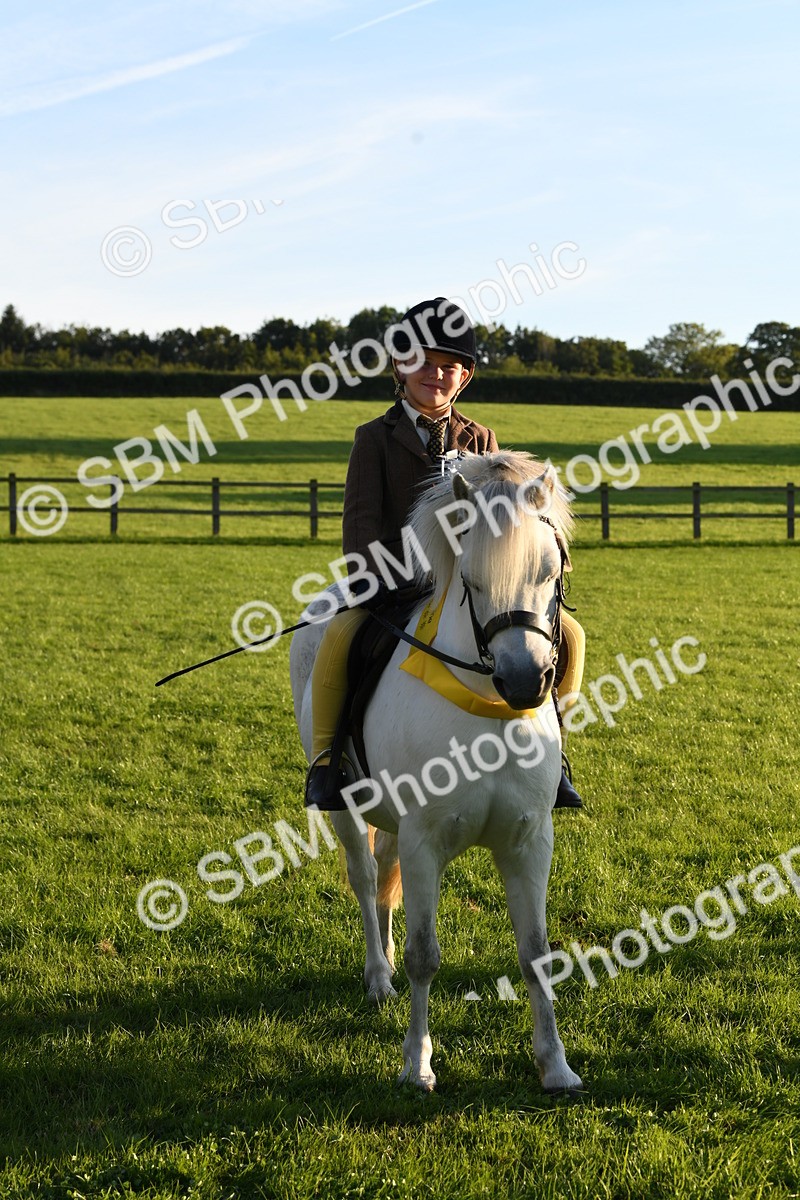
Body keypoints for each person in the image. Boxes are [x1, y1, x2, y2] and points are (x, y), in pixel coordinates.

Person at [304, 297, 585, 811]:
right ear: (399, 365)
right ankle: (328, 761)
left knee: (569, 633)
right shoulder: (373, 439)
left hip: (469, 586)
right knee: (340, 631)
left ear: (465, 377)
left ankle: (557, 752)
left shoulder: (481, 439)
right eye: (424, 363)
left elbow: (505, 526)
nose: (435, 375)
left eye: (448, 367)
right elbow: (361, 527)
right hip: (393, 584)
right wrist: (394, 576)